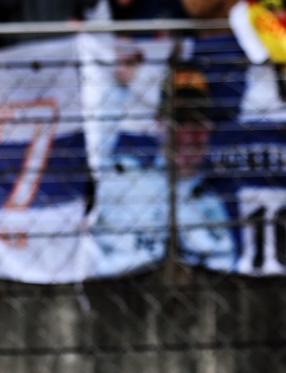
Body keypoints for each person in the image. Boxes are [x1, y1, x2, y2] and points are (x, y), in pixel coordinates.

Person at [91, 56, 236, 274]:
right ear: (159, 122)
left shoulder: (219, 203)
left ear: (209, 129)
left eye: (198, 121)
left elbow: (225, 264)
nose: (188, 134)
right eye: (179, 120)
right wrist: (118, 88)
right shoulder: (123, 179)